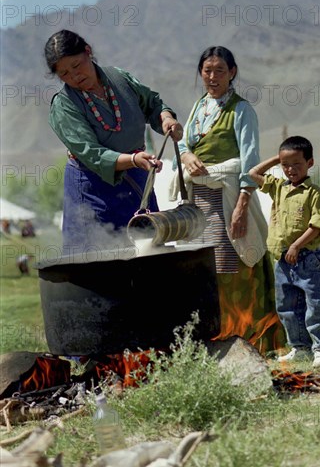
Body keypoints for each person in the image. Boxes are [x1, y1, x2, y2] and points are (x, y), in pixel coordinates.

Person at [171, 45, 285, 353]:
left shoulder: (242, 110)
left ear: (232, 73)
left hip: (231, 197)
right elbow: (181, 145)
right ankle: (221, 343)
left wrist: (243, 205)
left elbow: (250, 159)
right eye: (207, 71)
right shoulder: (198, 108)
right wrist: (187, 154)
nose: (212, 76)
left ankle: (254, 342)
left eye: (219, 70)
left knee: (235, 266)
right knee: (209, 272)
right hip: (201, 203)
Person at [44, 29, 183, 253]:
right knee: (100, 262)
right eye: (65, 74)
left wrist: (166, 118)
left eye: (77, 65)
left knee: (148, 252)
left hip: (137, 181)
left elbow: (152, 104)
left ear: (88, 51)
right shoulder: (64, 105)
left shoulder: (119, 78)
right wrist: (135, 159)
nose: (74, 77)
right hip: (92, 189)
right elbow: (92, 153)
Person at [249, 136, 320, 367]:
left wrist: (297, 245)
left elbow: (318, 225)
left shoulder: (313, 193)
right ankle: (300, 347)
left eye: (297, 163)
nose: (290, 169)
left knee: (314, 304)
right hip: (282, 260)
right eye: (286, 165)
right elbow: (252, 174)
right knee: (287, 306)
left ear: (310, 163)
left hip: (305, 258)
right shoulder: (278, 188)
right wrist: (279, 157)